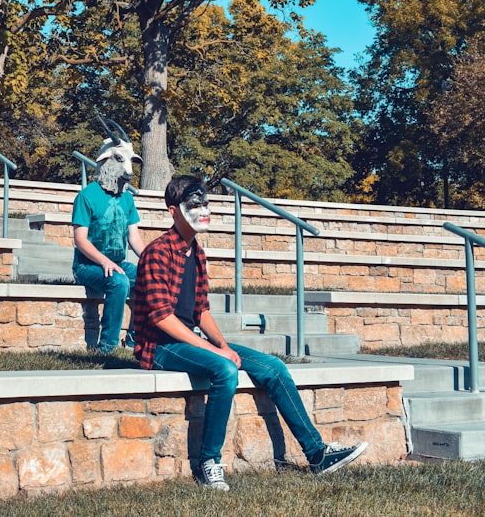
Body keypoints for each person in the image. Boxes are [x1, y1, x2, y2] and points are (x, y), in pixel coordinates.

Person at [132, 174, 367, 490]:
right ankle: (209, 463)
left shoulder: (197, 254)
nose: (203, 210)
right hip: (158, 347)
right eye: (194, 204)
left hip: (188, 339)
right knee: (225, 369)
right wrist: (218, 353)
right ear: (174, 211)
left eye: (205, 203)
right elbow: (161, 318)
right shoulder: (158, 252)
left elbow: (200, 310)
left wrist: (223, 344)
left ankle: (317, 454)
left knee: (274, 368)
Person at [72, 127, 146, 353]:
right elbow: (80, 240)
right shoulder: (86, 196)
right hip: (88, 265)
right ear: (106, 160)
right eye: (121, 160)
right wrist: (103, 261)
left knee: (148, 278)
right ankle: (107, 346)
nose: (128, 170)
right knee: (119, 282)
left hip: (119, 263)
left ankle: (136, 338)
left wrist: (152, 260)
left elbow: (134, 236)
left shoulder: (127, 199)